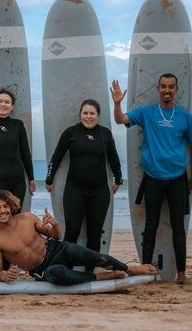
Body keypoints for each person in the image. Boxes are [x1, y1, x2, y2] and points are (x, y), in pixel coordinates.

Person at [110, 74, 192, 284]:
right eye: (164, 87)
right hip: (153, 178)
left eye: (171, 87)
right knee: (150, 226)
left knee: (178, 226)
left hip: (177, 178)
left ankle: (182, 273)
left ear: (176, 89)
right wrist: (117, 104)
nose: (167, 90)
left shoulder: (185, 116)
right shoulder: (147, 112)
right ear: (158, 88)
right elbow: (121, 120)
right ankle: (146, 270)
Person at [0, 190, 155, 285]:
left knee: (93, 256)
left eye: (5, 206)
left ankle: (129, 269)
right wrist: (4, 276)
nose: (2, 211)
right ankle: (100, 276)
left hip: (57, 249)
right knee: (57, 274)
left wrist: (54, 224)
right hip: (42, 269)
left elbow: (56, 236)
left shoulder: (27, 218)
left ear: (11, 207)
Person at [45, 99, 122, 269]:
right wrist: (49, 180)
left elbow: (114, 159)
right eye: (85, 113)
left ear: (98, 115)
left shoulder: (105, 134)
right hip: (75, 190)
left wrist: (118, 179)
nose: (88, 117)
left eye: (92, 113)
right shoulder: (70, 133)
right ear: (80, 114)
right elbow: (56, 158)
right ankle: (66, 269)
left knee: (94, 235)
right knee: (72, 233)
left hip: (99, 192)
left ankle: (89, 271)